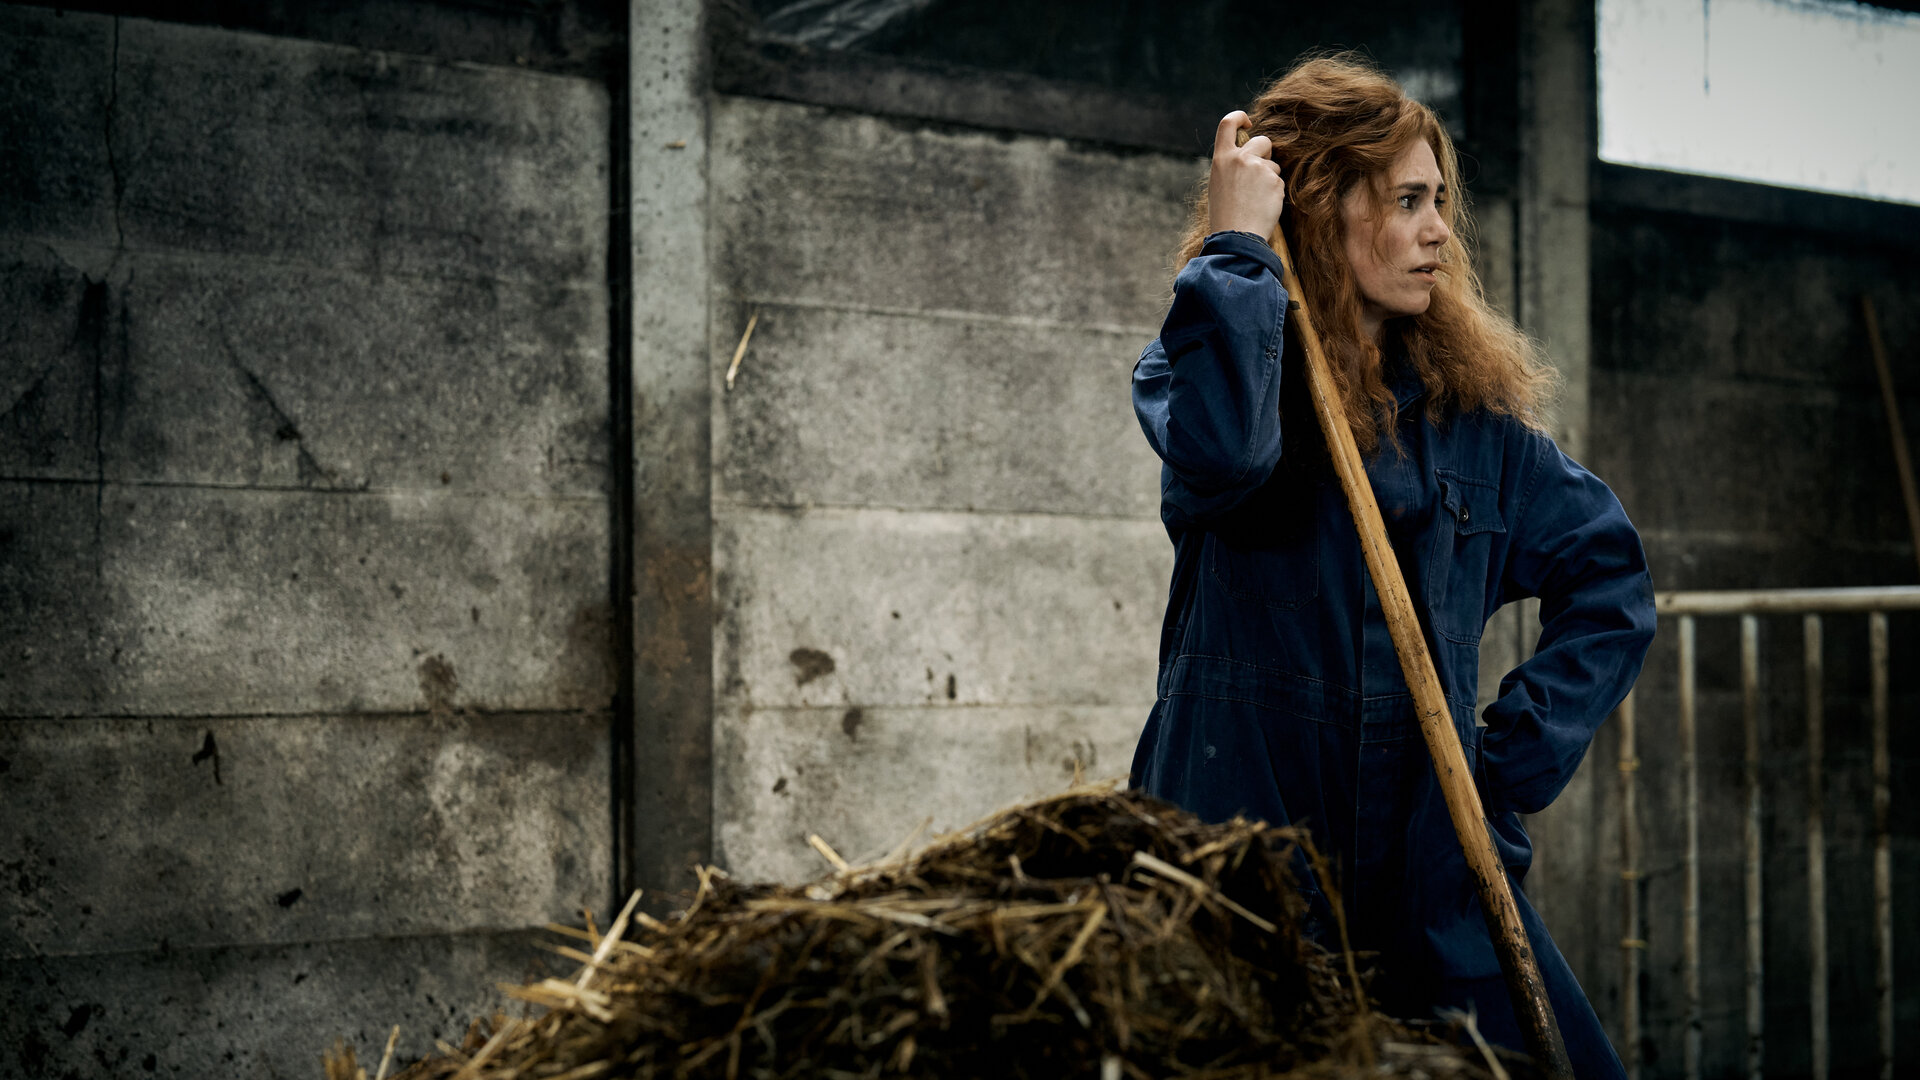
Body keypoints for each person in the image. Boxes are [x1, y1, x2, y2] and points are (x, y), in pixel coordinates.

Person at [1129, 55, 1655, 1079]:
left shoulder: (1479, 432)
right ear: (1322, 212)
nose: (1438, 231)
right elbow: (1225, 456)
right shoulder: (1207, 370)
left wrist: (1513, 759)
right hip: (1247, 866)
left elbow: (1610, 579)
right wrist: (1240, 245)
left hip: (1436, 869)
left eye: (1440, 202)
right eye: (1408, 200)